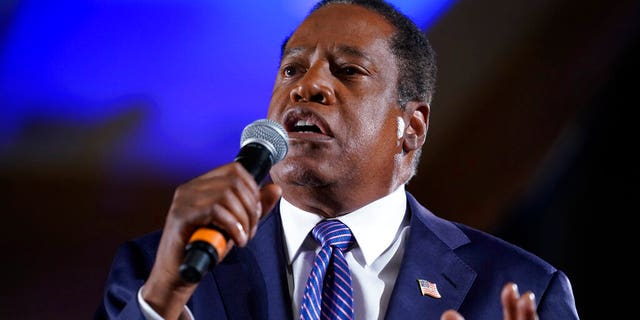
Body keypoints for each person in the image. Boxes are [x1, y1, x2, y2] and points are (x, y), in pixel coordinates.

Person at [95, 0, 580, 319]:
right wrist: (162, 298)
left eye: (348, 71)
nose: (308, 86)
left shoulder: (520, 288)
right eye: (292, 69)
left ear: (410, 128)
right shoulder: (153, 271)